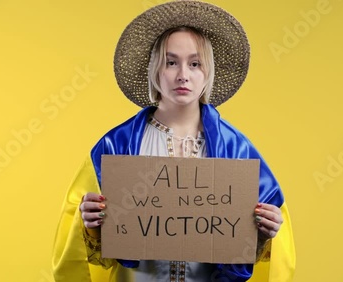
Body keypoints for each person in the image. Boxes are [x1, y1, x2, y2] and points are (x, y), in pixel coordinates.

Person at [52, 1, 295, 281]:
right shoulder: (115, 147)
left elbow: (247, 246)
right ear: (155, 70)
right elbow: (94, 250)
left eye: (194, 63)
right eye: (171, 62)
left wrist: (265, 232)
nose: (183, 75)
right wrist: (91, 225)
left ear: (207, 73)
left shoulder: (237, 150)